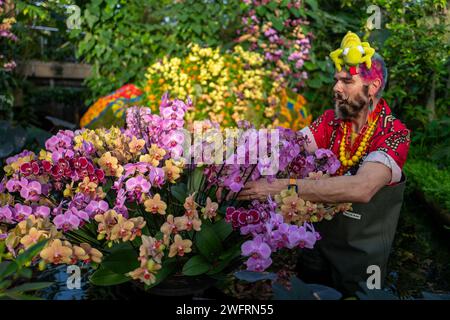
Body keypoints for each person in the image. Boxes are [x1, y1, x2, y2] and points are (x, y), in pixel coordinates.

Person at [236, 32, 411, 296]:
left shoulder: (393, 133)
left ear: (372, 87)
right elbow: (288, 146)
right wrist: (239, 160)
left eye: (347, 81)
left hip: (359, 263)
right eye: (336, 80)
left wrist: (280, 187)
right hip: (317, 247)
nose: (336, 88)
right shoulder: (330, 121)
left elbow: (361, 188)